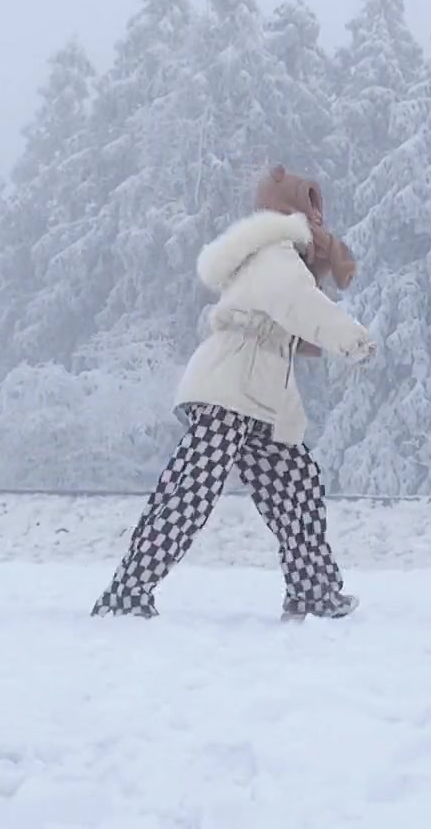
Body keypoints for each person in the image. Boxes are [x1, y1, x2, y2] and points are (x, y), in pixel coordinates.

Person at [92, 166, 372, 620]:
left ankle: (313, 591)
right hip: (228, 392)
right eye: (313, 211)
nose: (321, 222)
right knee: (190, 492)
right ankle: (127, 594)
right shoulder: (275, 257)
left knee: (298, 487)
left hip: (259, 401)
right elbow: (300, 306)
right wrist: (353, 338)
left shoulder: (278, 260)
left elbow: (290, 327)